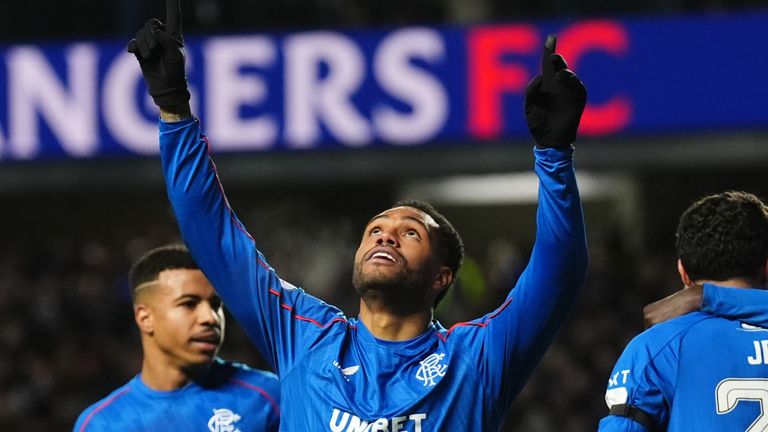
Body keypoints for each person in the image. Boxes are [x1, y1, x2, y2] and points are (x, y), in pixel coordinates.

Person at [127, 0, 589, 429]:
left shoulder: (479, 357)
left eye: (410, 233)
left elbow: (559, 270)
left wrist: (554, 155)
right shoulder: (305, 337)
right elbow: (213, 234)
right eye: (375, 230)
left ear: (442, 278)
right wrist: (173, 110)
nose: (384, 237)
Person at [598, 191, 768, 431]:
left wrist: (705, 295)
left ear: (683, 272)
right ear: (767, 267)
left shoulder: (658, 346)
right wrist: (710, 298)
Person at [74, 245, 281, 431]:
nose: (210, 317)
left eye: (216, 304)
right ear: (145, 317)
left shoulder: (267, 396)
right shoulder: (104, 425)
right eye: (189, 304)